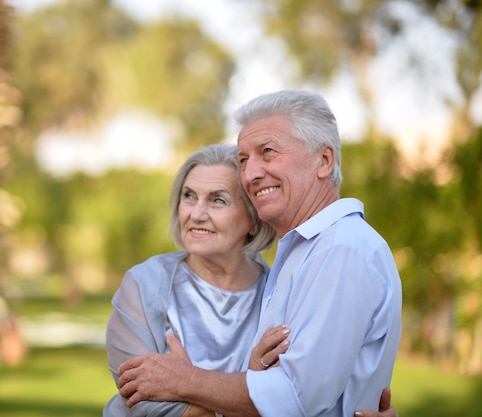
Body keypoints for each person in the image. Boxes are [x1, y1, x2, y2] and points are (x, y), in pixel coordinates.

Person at [117, 90, 403, 417]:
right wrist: (251, 376)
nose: (250, 174)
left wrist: (185, 381)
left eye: (267, 152)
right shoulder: (303, 250)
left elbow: (293, 398)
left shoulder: (343, 250)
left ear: (324, 161)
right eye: (243, 160)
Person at [104, 143, 285, 417]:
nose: (196, 214)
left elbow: (296, 395)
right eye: (189, 196)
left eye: (218, 200)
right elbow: (141, 402)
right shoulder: (144, 285)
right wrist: (247, 392)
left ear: (254, 221)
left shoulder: (281, 294)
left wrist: (184, 385)